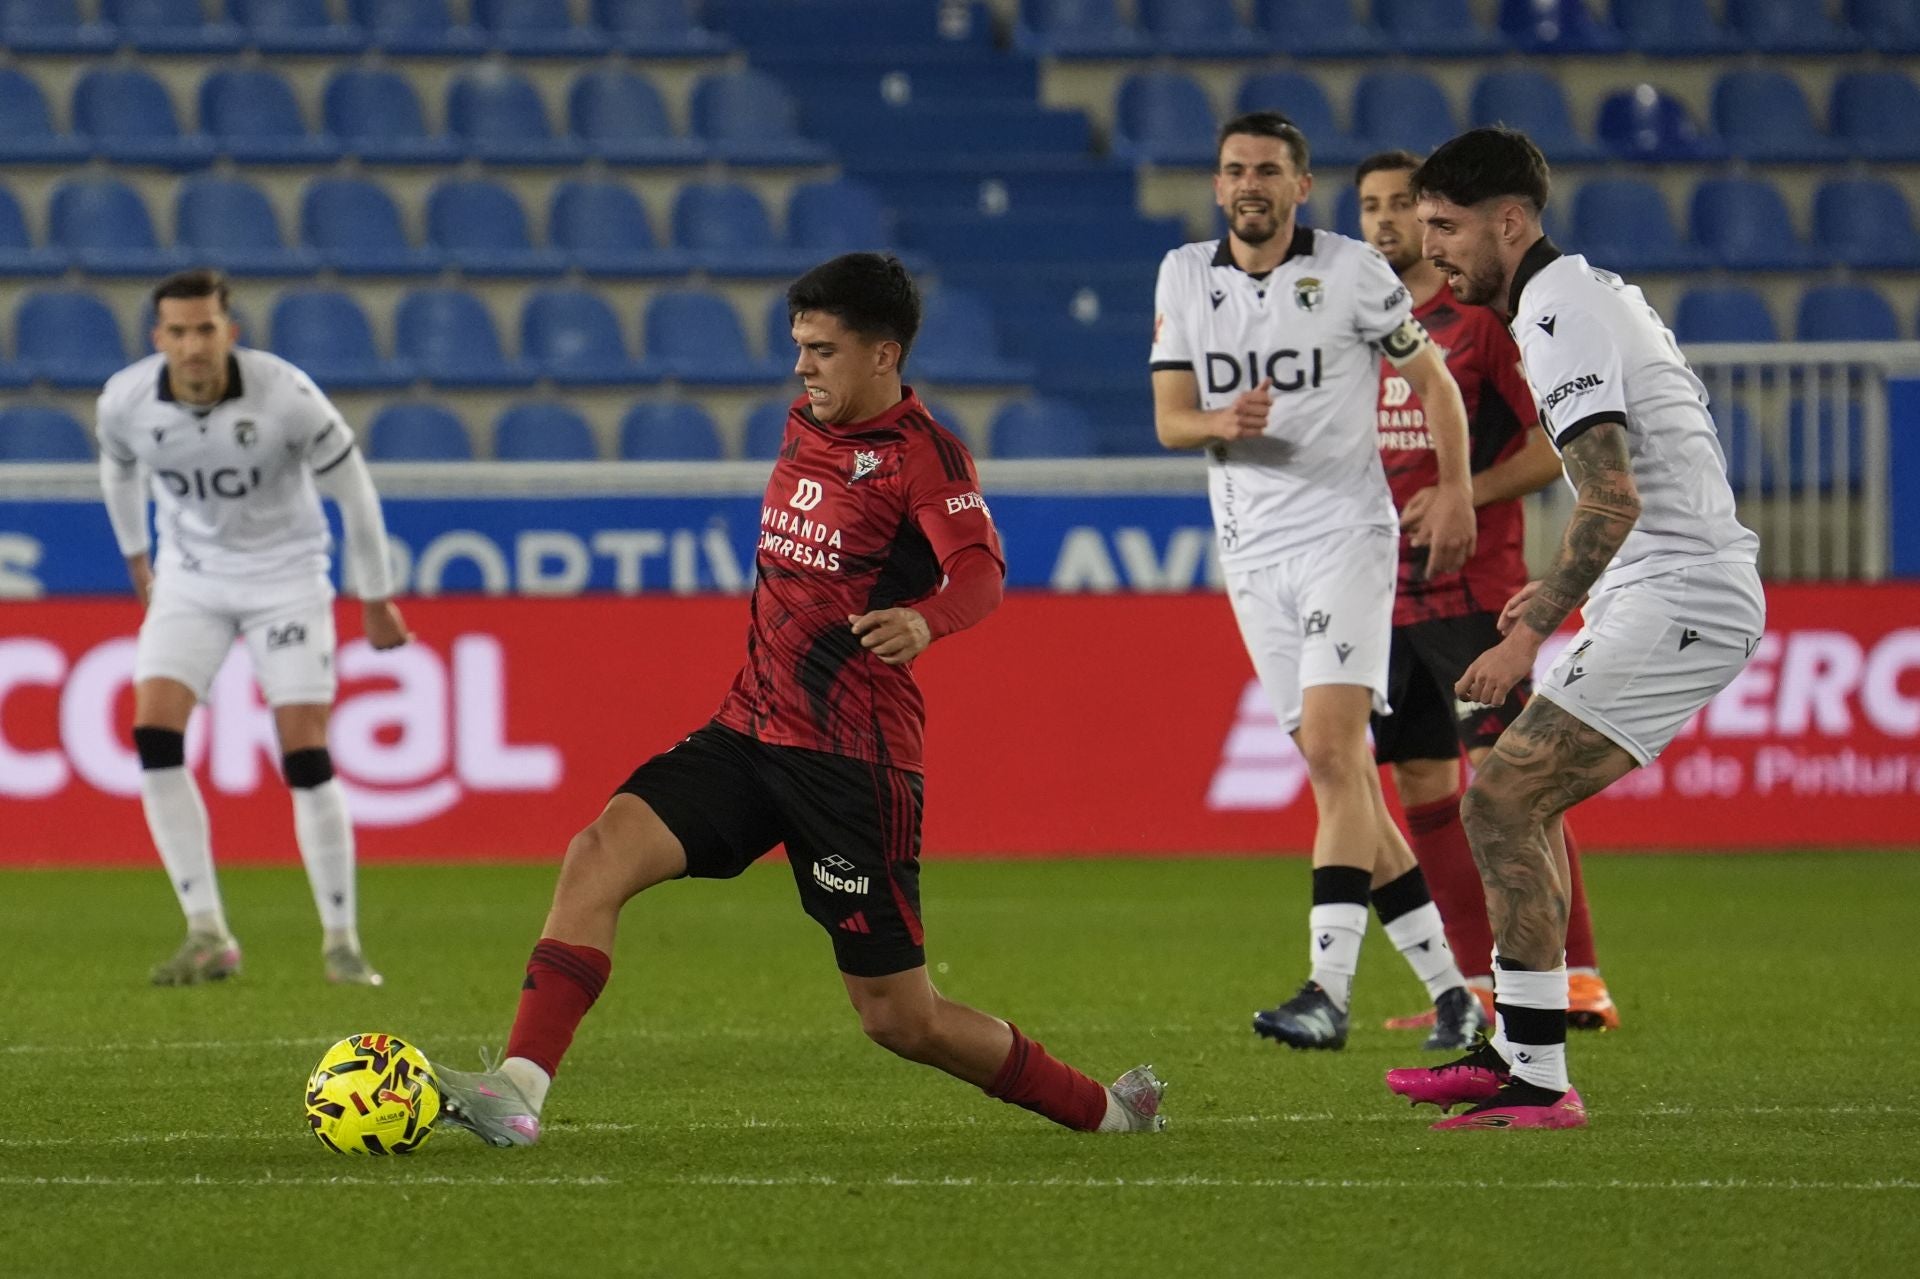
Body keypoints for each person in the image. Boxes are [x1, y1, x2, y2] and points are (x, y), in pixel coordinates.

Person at [429, 253, 1165, 1147]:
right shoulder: (803, 423)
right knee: (597, 853)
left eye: (821, 349)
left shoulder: (922, 456)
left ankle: (1109, 1110)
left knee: (901, 1017)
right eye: (798, 347)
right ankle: (518, 1091)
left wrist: (927, 622)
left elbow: (980, 570)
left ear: (883, 355)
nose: (802, 366)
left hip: (851, 761)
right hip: (750, 729)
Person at [1388, 128, 1763, 1130]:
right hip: (1664, 588)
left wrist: (1532, 626)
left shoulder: (1557, 311)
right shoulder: (1573, 297)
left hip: (1683, 591)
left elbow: (1611, 495)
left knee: (1500, 798)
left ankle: (1537, 1076)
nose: (1434, 251)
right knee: (1517, 802)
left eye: (1447, 228)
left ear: (1509, 222)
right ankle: (1523, 1056)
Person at [1150, 112, 1485, 1053]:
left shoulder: (1352, 271)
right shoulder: (1183, 275)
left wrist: (1456, 488)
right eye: (1233, 170)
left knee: (1340, 757)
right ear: (1217, 188)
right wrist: (1224, 418)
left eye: (1267, 170)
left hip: (1346, 537)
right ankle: (1453, 991)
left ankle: (1325, 991)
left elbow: (1437, 386)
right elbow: (1172, 421)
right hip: (1250, 557)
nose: (1248, 183)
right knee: (1342, 779)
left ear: (1301, 187)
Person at [1354, 150, 1621, 1035]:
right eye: (1375, 207)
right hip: (1380, 591)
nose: (1392, 223)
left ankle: (1576, 976)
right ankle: (1475, 983)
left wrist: (1467, 492)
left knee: (1518, 784)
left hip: (1476, 591)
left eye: (1411, 207)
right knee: (1422, 780)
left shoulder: (1478, 328)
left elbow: (1555, 451)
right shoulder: (1365, 330)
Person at [96, 268, 408, 987]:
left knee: (304, 752)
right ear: (159, 338)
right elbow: (116, 472)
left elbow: (353, 487)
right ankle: (207, 931)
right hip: (192, 577)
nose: (193, 345)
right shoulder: (126, 401)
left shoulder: (286, 394)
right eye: (178, 331)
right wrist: (137, 561)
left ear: (229, 331)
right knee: (153, 736)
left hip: (286, 578)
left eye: (206, 328)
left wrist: (375, 594)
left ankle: (341, 942)